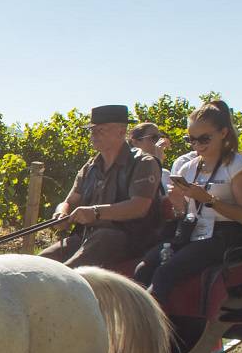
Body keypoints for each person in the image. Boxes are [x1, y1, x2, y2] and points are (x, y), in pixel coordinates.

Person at [136, 103, 242, 307]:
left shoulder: (238, 166)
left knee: (165, 273)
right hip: (192, 230)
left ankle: (149, 326)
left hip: (225, 234)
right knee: (143, 268)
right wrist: (177, 204)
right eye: (191, 139)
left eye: (204, 138)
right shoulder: (188, 168)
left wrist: (209, 200)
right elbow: (183, 212)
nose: (197, 145)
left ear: (223, 133)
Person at [41, 104, 162, 269]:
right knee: (39, 264)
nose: (94, 136)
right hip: (86, 236)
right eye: (92, 131)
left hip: (126, 239)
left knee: (67, 272)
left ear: (121, 131)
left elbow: (139, 207)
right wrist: (62, 212)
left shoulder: (143, 163)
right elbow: (70, 200)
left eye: (101, 130)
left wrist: (96, 212)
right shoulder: (90, 166)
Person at [130, 122, 172, 193]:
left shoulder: (166, 174)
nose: (159, 142)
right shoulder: (129, 172)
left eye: (160, 137)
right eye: (154, 137)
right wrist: (157, 161)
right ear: (135, 143)